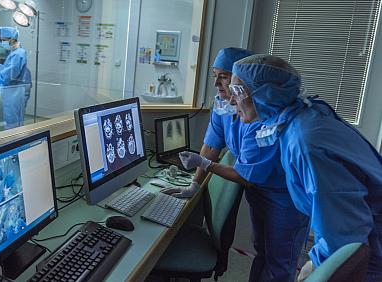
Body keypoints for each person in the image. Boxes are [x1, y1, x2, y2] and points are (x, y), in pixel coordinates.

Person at [230, 54, 382, 282]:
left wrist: (317, 265)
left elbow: (345, 237)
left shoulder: (305, 142)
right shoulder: (301, 118)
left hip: (370, 253)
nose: (231, 101)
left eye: (237, 92)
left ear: (266, 94)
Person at [163, 47, 309, 282]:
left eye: (224, 76)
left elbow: (246, 175)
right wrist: (194, 184)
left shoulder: (260, 116)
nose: (217, 84)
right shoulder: (223, 106)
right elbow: (211, 146)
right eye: (214, 75)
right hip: (259, 192)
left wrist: (205, 165)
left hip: (285, 199)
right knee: (263, 251)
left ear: (243, 82)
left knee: (279, 263)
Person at [0, 27, 32, 128]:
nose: (2, 42)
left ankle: (13, 142)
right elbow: (6, 70)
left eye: (4, 40)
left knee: (12, 122)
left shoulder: (18, 54)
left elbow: (8, 77)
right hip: (12, 91)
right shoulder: (15, 53)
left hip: (13, 92)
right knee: (12, 121)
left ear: (12, 39)